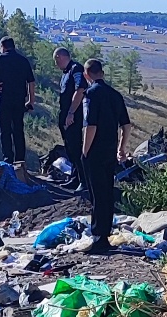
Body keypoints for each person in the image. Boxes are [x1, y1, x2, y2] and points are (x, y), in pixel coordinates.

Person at [80, 58, 131, 251]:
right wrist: (121, 148)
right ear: (101, 72)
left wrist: (85, 151)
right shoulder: (115, 95)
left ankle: (99, 236)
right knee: (107, 192)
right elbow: (126, 125)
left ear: (86, 75)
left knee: (96, 194)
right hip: (110, 150)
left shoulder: (91, 95)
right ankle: (106, 232)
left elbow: (90, 126)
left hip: (95, 151)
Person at [0, 35, 35, 178]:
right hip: (19, 100)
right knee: (18, 129)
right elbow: (31, 81)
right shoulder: (23, 61)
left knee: (5, 130)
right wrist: (31, 100)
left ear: (2, 47)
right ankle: (20, 161)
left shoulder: (0, 59)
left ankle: (8, 160)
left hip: (4, 99)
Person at [53, 44, 86, 189]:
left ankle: (83, 180)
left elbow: (80, 90)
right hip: (66, 115)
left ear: (60, 57)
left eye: (56, 60)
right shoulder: (66, 72)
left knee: (75, 147)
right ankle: (74, 176)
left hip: (74, 116)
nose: (56, 64)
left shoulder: (75, 69)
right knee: (69, 148)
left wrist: (71, 112)